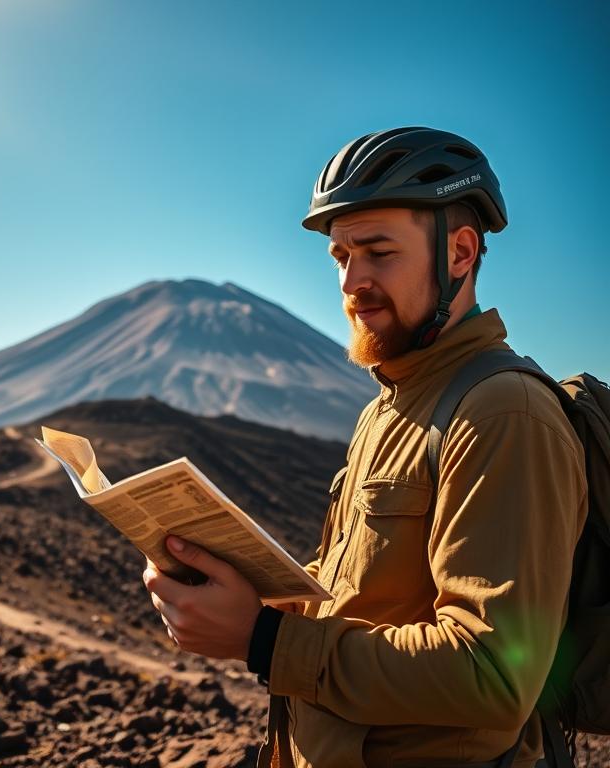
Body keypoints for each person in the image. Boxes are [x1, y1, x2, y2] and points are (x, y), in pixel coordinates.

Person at [142, 127, 588, 768]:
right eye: (340, 256)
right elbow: (365, 596)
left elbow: (495, 674)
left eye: (378, 252)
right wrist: (244, 592)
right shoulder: (389, 406)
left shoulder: (504, 413)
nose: (352, 281)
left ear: (460, 253)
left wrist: (264, 640)